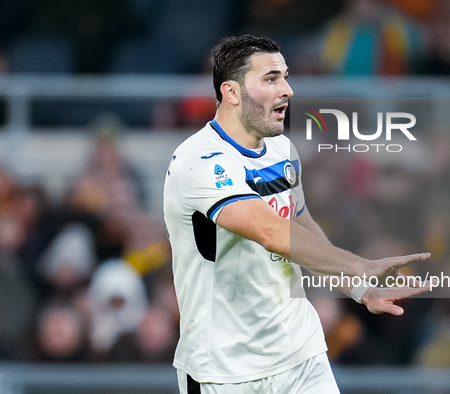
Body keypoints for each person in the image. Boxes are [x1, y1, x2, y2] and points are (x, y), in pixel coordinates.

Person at [163, 34, 431, 394]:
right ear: (231, 92)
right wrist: (356, 265)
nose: (287, 90)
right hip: (226, 370)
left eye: (285, 77)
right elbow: (271, 231)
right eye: (271, 79)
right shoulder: (199, 161)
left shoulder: (281, 148)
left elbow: (299, 221)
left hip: (300, 354)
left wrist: (357, 285)